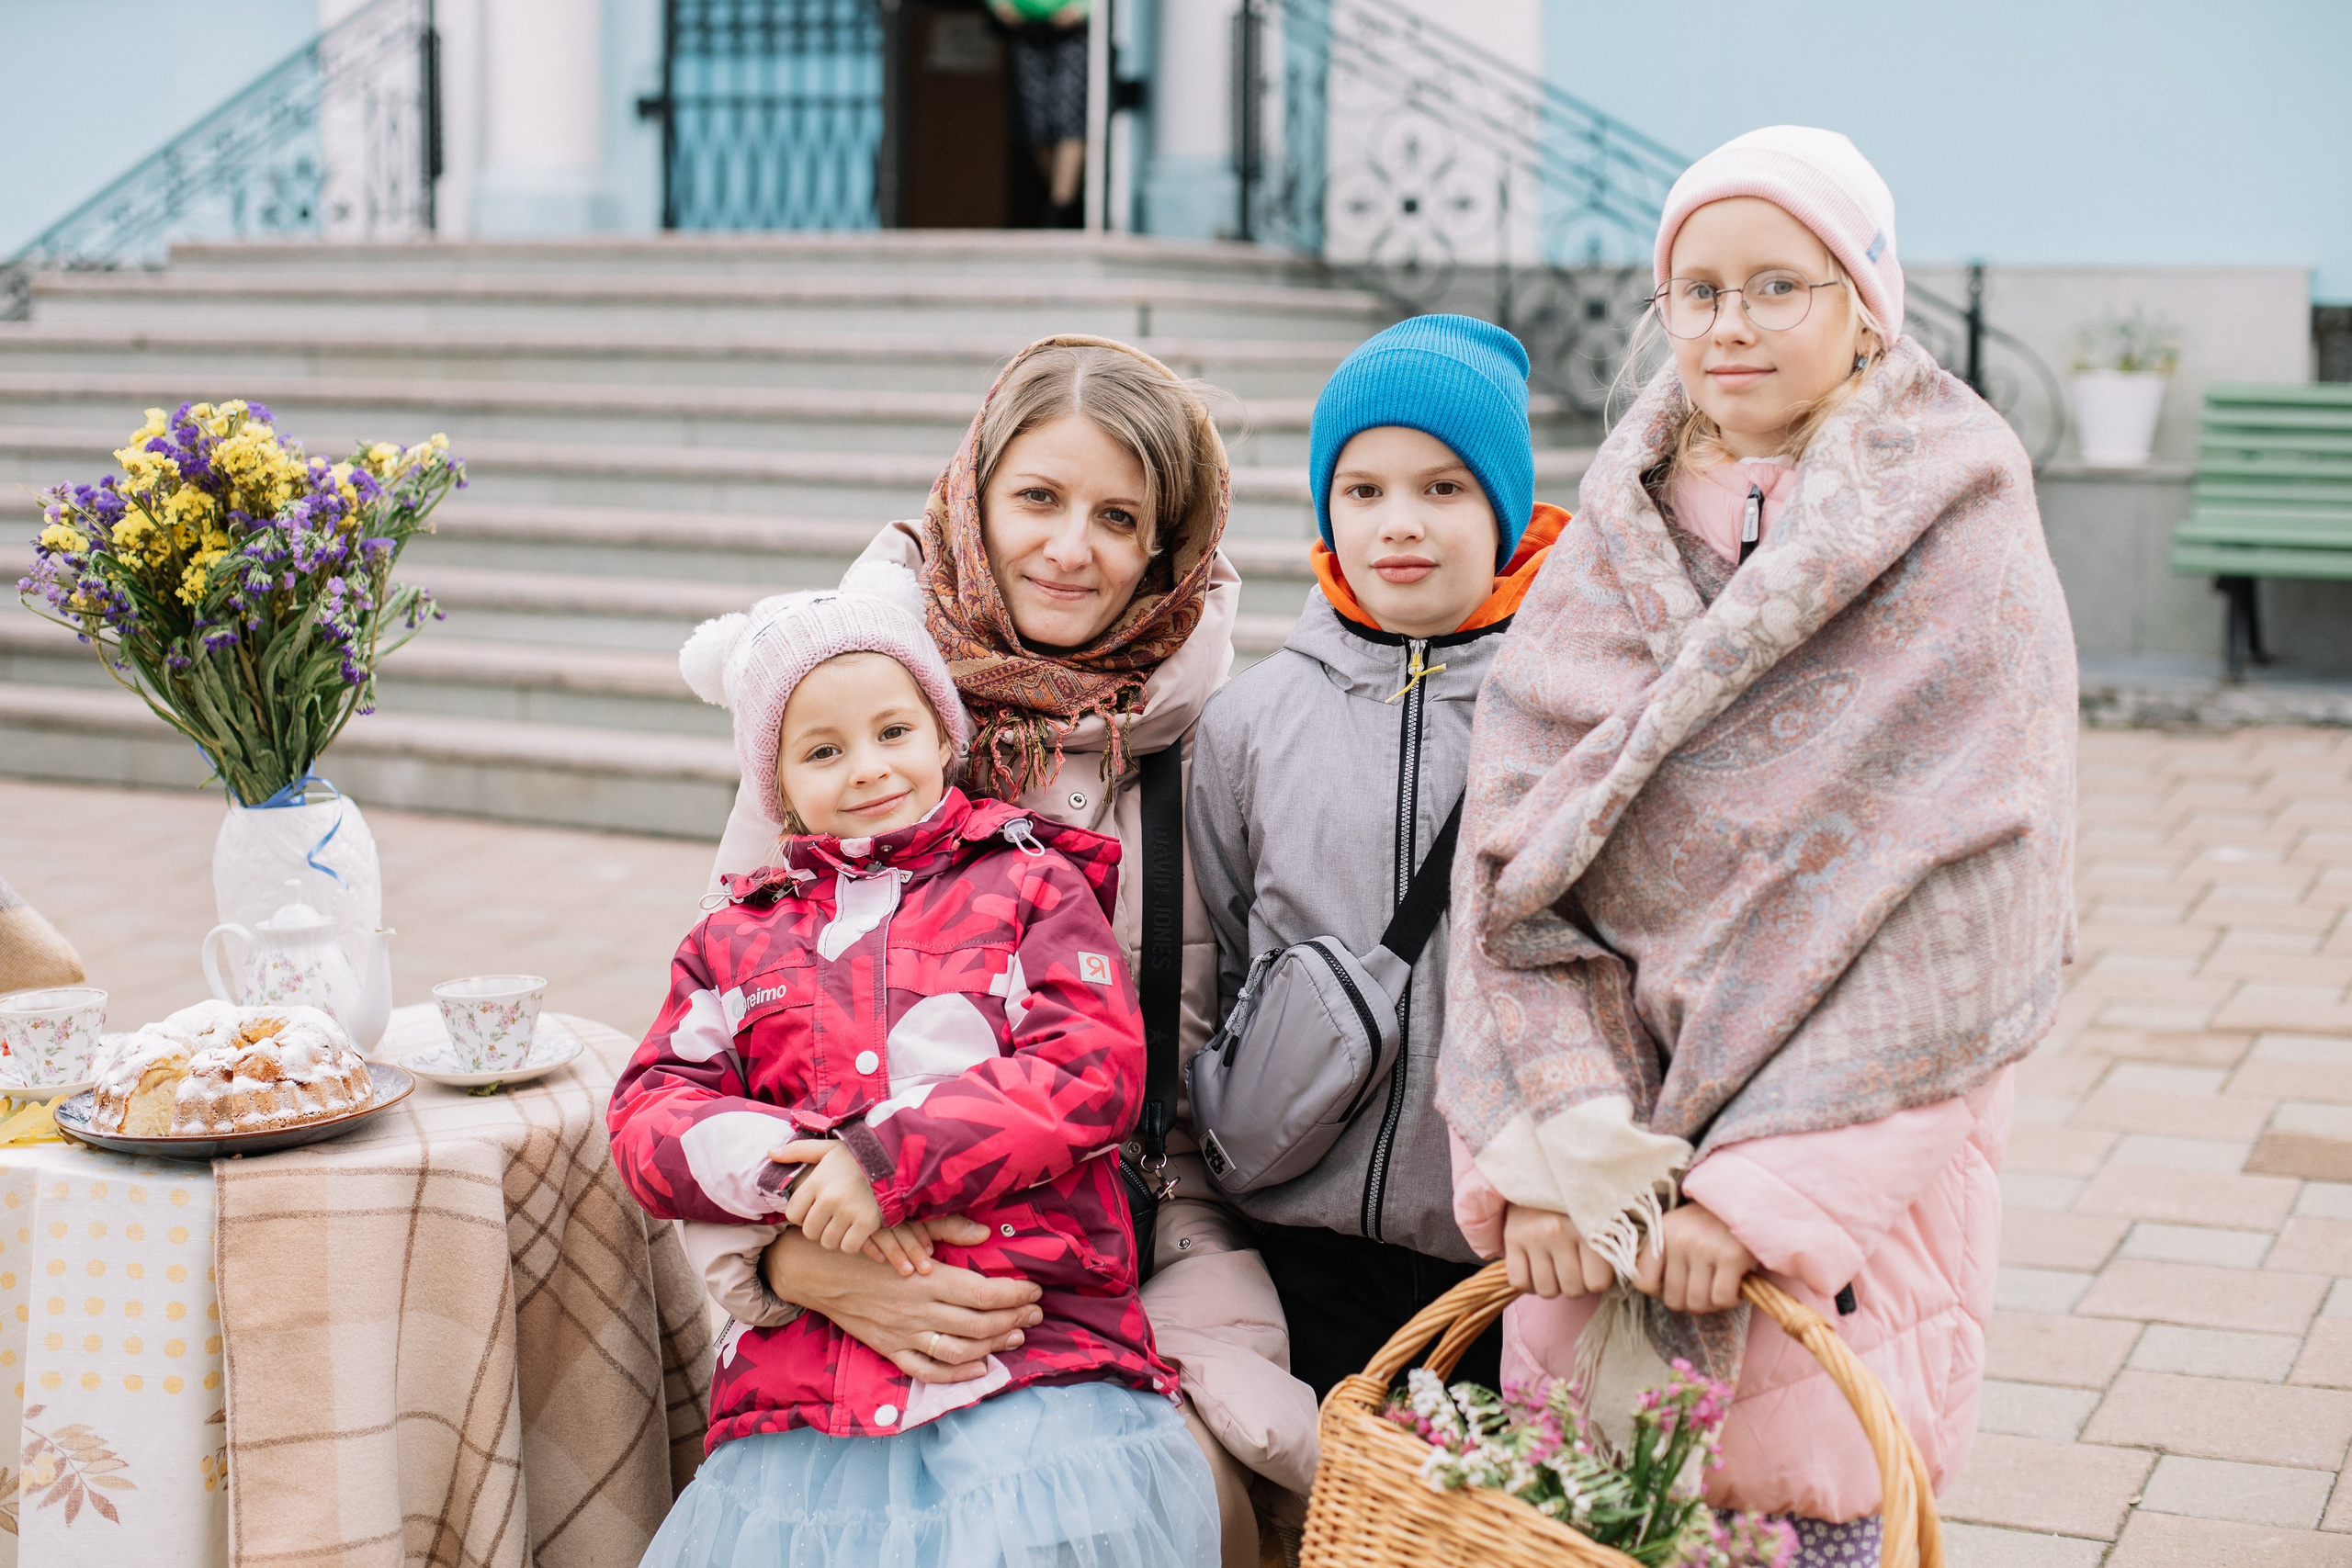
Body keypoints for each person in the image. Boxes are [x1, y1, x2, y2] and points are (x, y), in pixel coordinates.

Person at [1441, 126, 2076, 1562]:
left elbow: (1966, 913)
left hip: (1839, 1203)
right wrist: (1546, 1147)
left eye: (1777, 284)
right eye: (1699, 289)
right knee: (1589, 1522)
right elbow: (1511, 862)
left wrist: (1761, 1198)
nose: (1731, 323)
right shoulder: (1611, 529)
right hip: (1601, 1187)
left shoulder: (1959, 523)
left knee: (1806, 1516)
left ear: (1863, 299)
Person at [696, 337, 1314, 1568]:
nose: (1069, 547)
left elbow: (1189, 1115)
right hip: (847, 1245)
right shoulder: (845, 720)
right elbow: (717, 1049)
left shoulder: (1211, 749)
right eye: (1038, 497)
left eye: (1117, 515)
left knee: (1174, 1505)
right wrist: (792, 1263)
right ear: (973, 503)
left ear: (1166, 546)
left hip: (1117, 1251)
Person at [609, 564, 1218, 1566]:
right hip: (815, 1385)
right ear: (778, 788)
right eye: (821, 749)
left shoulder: (1030, 884)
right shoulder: (733, 937)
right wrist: (800, 1172)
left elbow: (1090, 1065)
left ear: (944, 734)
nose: (866, 768)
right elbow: (647, 1114)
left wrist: (883, 1158)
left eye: (892, 731)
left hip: (1025, 1349)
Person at [1188, 315, 1563, 1402]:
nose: (1399, 523)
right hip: (1297, 1242)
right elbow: (1217, 953)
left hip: (1505, 1257)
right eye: (1363, 490)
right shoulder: (1249, 722)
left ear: (1501, 505)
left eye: (1443, 489)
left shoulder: (1571, 711)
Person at [991, 0, 1090, 228]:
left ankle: (1060, 213)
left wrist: (1085, 7)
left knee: (1070, 119)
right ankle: (1066, 205)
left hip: (1073, 28)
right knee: (1035, 125)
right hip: (1026, 27)